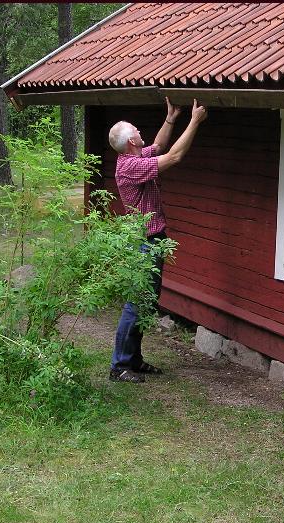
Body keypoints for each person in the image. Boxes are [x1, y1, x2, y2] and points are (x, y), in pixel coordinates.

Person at [107, 97, 208, 383]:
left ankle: (133, 360)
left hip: (152, 240)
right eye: (136, 130)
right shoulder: (130, 166)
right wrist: (194, 121)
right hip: (145, 243)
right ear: (131, 142)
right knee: (135, 304)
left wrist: (171, 118)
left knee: (145, 303)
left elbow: (160, 146)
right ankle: (119, 366)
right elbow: (174, 157)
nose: (140, 132)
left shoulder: (136, 157)